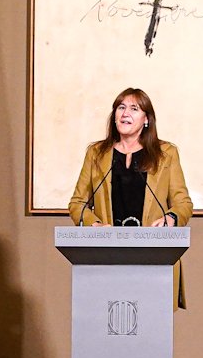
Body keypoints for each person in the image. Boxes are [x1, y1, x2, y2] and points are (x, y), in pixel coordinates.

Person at [67, 88, 195, 303]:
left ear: (146, 119)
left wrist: (170, 219)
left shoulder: (166, 154)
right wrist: (93, 224)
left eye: (134, 108)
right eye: (121, 107)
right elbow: (77, 203)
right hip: (107, 256)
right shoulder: (96, 154)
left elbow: (183, 203)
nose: (125, 113)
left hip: (152, 257)